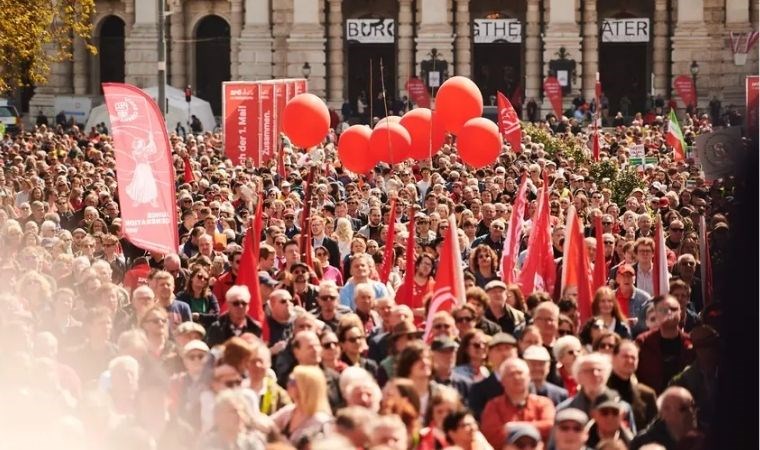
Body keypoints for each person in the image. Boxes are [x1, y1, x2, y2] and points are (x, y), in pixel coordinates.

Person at [481, 357, 555, 446]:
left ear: (529, 377)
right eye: (511, 374)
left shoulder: (544, 403)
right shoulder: (493, 406)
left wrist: (512, 427)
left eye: (520, 373)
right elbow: (491, 435)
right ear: (502, 381)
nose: (516, 377)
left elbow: (550, 426)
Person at [635, 295, 695, 394]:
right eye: (663, 310)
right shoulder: (643, 342)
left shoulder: (691, 343)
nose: (669, 312)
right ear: (655, 314)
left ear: (681, 312)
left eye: (674, 309)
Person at [271, 365, 334, 448]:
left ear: (306, 387)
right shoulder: (289, 411)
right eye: (288, 380)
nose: (288, 384)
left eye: (293, 382)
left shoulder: (322, 422)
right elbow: (267, 423)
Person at [629, 387, 703, 450]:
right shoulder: (643, 441)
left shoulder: (700, 441)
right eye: (683, 408)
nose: (691, 412)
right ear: (665, 413)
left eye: (693, 406)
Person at [607, 340, 658, 431]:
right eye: (625, 356)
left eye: (633, 358)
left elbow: (654, 430)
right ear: (613, 358)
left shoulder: (647, 395)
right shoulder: (600, 390)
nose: (630, 361)